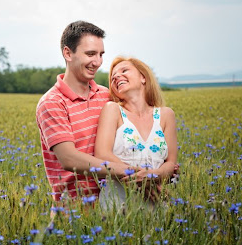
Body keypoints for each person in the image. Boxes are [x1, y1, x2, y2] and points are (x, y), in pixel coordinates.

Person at [36, 21, 130, 202]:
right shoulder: (52, 102)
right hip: (74, 212)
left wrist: (160, 166)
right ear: (68, 53)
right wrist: (134, 173)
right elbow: (69, 159)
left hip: (115, 204)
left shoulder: (107, 96)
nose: (98, 62)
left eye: (101, 54)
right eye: (90, 54)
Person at [94, 56, 178, 211]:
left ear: (143, 78)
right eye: (113, 77)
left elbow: (171, 163)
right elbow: (102, 154)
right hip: (118, 205)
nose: (117, 76)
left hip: (157, 204)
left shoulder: (166, 115)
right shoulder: (113, 110)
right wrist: (141, 179)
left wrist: (154, 176)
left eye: (124, 70)